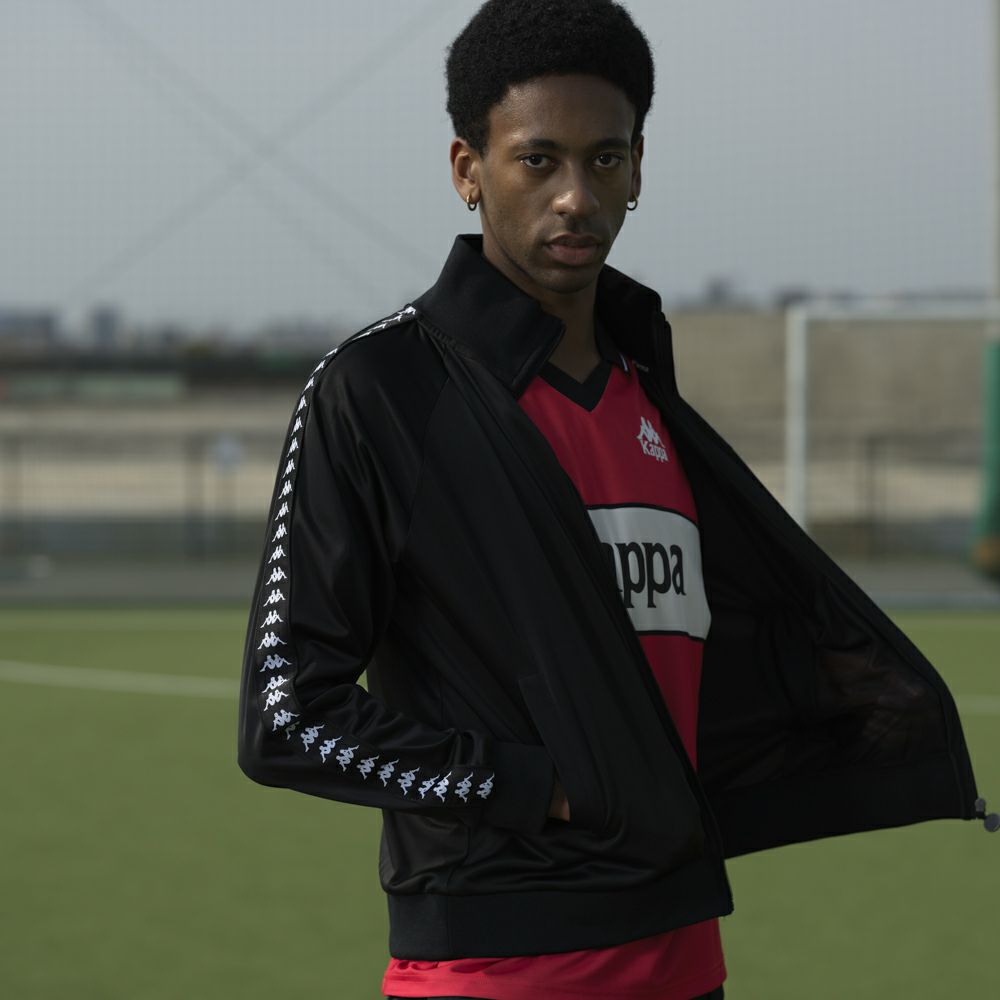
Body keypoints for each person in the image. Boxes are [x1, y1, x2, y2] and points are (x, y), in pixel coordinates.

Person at [238, 2, 988, 998]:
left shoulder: (650, 398)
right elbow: (287, 714)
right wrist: (539, 788)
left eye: (605, 159)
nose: (575, 197)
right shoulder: (382, 390)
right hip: (493, 962)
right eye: (537, 160)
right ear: (467, 169)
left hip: (684, 949)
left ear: (639, 168)